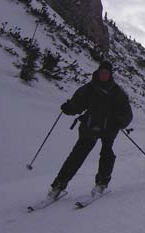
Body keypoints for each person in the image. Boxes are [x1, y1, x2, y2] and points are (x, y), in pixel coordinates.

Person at [49, 60, 133, 198]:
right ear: (98, 72)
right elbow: (77, 104)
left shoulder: (118, 92)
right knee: (77, 155)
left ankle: (102, 183)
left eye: (107, 73)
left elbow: (127, 113)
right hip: (89, 126)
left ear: (110, 74)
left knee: (106, 153)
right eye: (102, 72)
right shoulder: (88, 89)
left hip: (109, 128)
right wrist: (69, 108)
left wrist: (121, 121)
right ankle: (59, 185)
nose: (104, 75)